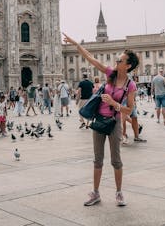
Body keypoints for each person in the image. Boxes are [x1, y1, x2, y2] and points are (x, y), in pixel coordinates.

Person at [63, 33, 138, 207]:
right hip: (98, 121)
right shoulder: (110, 73)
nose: (116, 62)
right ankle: (95, 193)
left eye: (120, 60)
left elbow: (130, 109)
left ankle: (119, 193)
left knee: (116, 160)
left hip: (114, 122)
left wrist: (114, 104)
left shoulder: (130, 85)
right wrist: (75, 43)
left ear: (128, 65)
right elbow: (90, 58)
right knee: (98, 159)